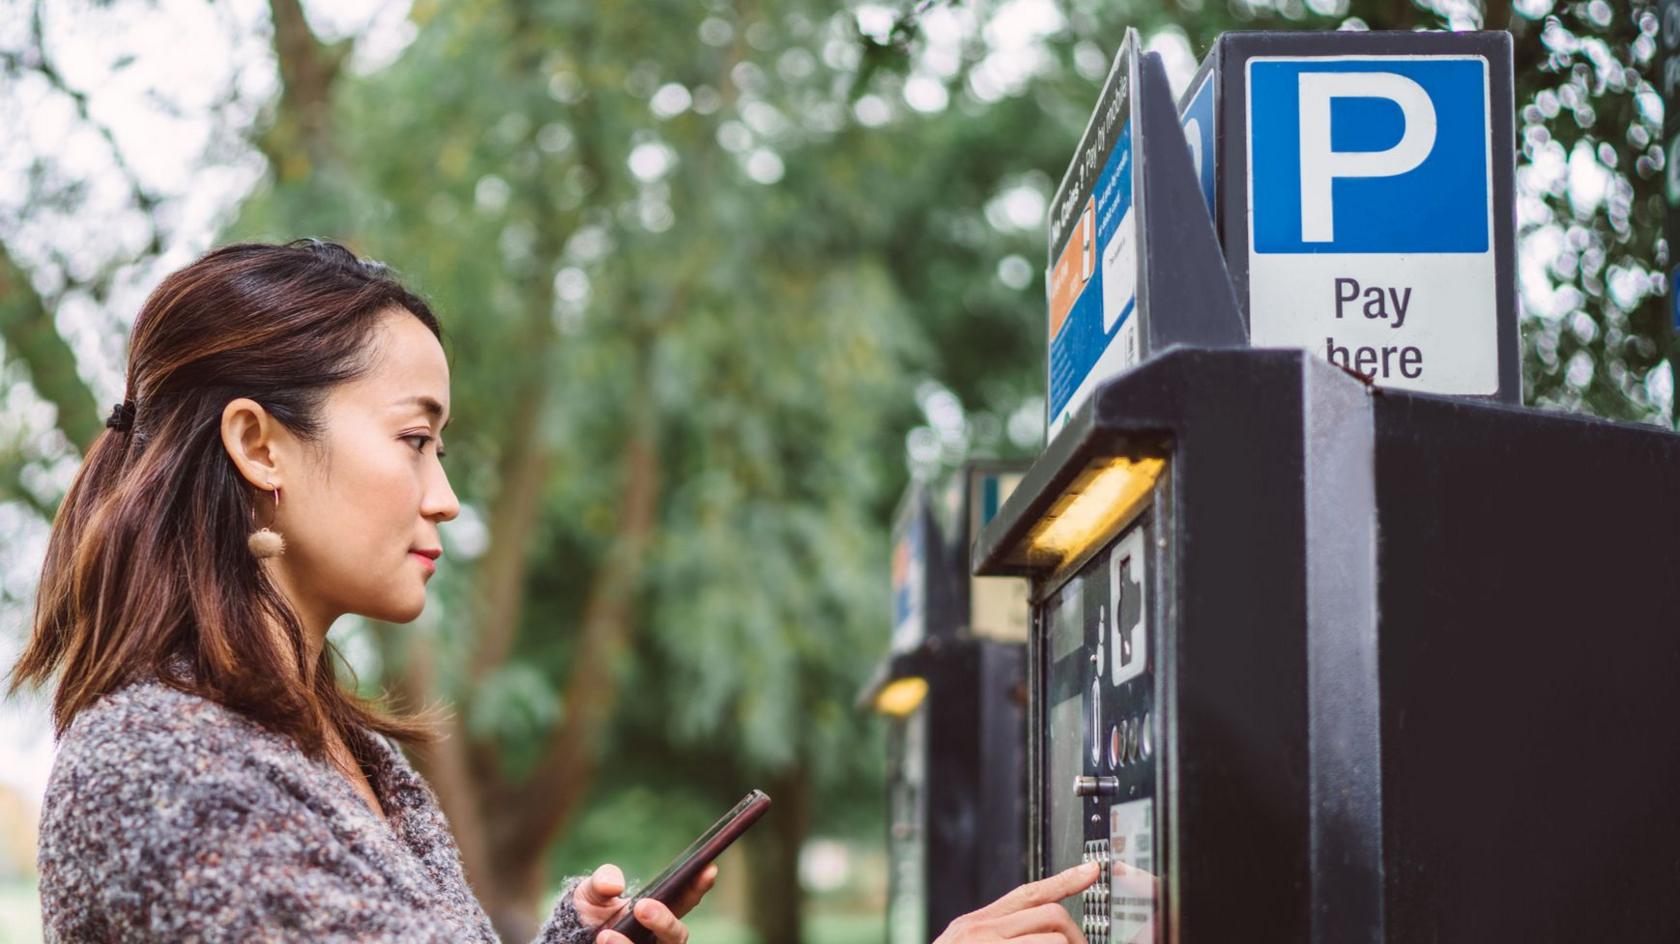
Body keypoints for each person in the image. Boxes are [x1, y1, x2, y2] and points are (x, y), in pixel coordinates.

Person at [7, 239, 712, 943]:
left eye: (442, 450)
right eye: (413, 438)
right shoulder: (161, 771)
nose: (446, 500)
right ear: (259, 446)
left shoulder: (343, 750)